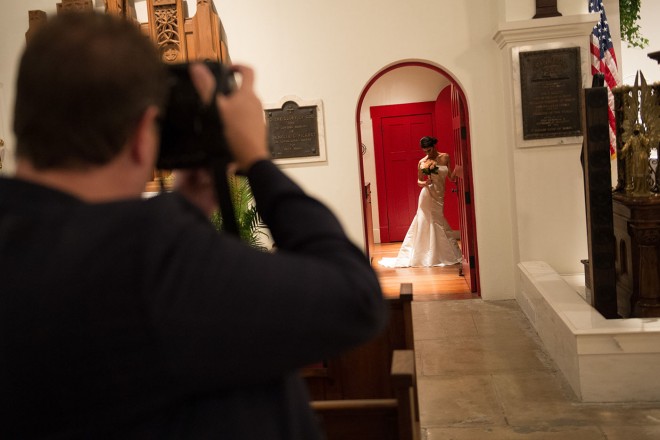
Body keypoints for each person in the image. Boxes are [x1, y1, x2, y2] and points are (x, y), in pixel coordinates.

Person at [0, 12, 386, 439]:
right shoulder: (147, 257)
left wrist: (186, 210)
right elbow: (355, 298)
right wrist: (257, 160)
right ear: (144, 133)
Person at [380, 136, 462, 267]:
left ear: (434, 146)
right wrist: (425, 182)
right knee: (429, 220)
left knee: (437, 220)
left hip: (440, 194)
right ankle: (428, 255)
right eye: (425, 151)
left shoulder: (445, 157)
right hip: (427, 194)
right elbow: (419, 181)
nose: (427, 154)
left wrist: (458, 171)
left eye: (429, 150)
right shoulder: (422, 162)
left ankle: (439, 252)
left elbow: (451, 177)